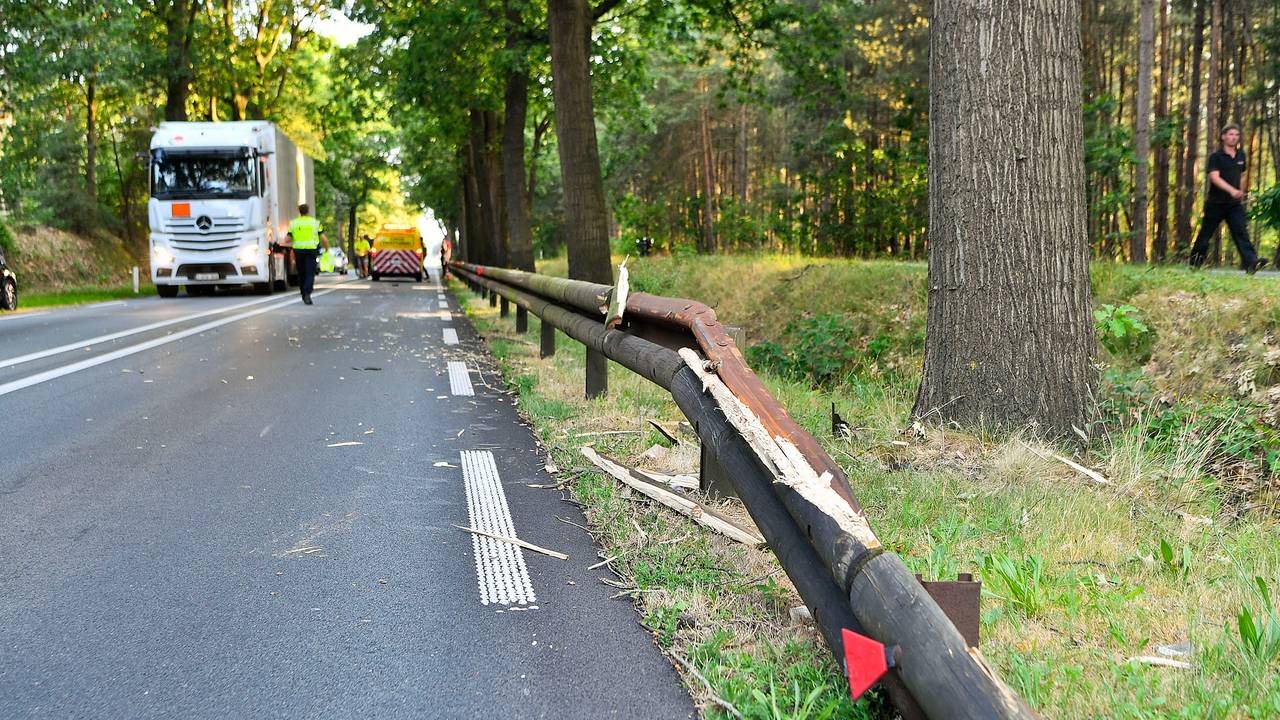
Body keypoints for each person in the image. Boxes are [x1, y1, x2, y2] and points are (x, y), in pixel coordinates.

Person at [1190, 124, 1267, 274]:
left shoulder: (1241, 155)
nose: (1233, 137)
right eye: (1230, 134)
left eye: (1236, 135)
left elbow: (1242, 174)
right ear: (1223, 137)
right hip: (1215, 203)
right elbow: (1214, 177)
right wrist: (1232, 190)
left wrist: (1241, 191)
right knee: (1206, 235)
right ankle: (1195, 264)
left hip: (1234, 205)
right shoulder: (1216, 157)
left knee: (1241, 232)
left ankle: (1251, 264)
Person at [288, 204, 328, 304]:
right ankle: (307, 294)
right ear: (308, 211)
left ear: (299, 211)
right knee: (310, 273)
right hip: (311, 251)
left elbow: (288, 238)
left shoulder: (294, 223)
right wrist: (327, 249)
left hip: (298, 251)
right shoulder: (315, 223)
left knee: (301, 273)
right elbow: (324, 239)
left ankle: (303, 292)